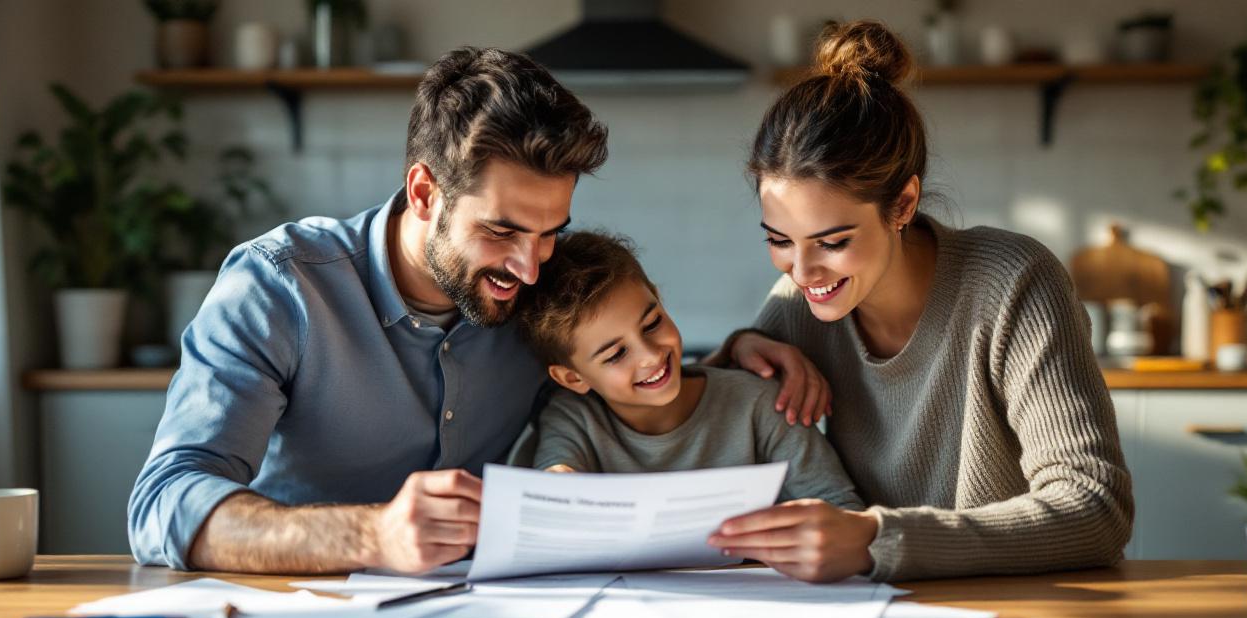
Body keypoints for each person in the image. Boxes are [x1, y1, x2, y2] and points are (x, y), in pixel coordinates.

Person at [128, 46, 827, 576]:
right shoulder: (280, 288)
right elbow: (163, 502)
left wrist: (732, 354)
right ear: (426, 192)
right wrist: (371, 535)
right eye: (501, 232)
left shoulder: (532, 295)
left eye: (549, 232)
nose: (529, 267)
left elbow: (618, 376)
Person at [706, 20, 1134, 583]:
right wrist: (740, 350)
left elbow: (1096, 507)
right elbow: (695, 430)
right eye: (779, 241)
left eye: (834, 242)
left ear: (903, 202)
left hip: (1029, 609)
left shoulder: (1012, 283)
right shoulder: (798, 302)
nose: (805, 271)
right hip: (878, 615)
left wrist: (878, 540)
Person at [516, 230, 863, 513]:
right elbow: (555, 488)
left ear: (657, 297)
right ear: (573, 378)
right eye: (617, 353)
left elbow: (843, 510)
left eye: (652, 323)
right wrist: (558, 486)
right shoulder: (572, 417)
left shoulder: (759, 403)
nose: (650, 356)